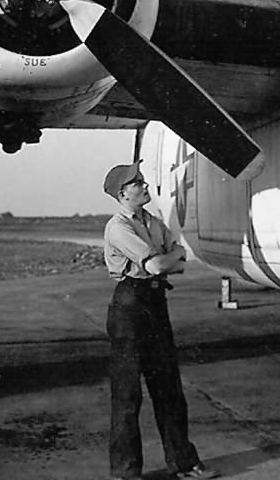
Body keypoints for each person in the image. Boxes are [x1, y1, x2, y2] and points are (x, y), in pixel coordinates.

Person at [103, 160, 218, 479]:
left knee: (169, 387)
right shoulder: (118, 227)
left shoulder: (151, 221)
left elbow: (180, 258)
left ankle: (184, 464)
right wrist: (168, 260)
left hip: (155, 301)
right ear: (123, 193)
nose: (144, 185)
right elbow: (157, 265)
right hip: (129, 305)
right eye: (137, 182)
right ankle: (126, 472)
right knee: (128, 394)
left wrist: (167, 260)